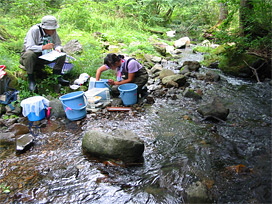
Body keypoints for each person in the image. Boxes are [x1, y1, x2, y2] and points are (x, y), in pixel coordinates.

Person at [20, 15, 69, 91]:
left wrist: (57, 48)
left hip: (45, 55)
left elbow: (57, 43)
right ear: (44, 27)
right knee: (29, 54)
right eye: (50, 29)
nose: (52, 31)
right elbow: (29, 47)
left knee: (62, 52)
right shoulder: (34, 30)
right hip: (32, 57)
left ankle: (57, 76)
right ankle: (31, 79)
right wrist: (43, 47)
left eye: (53, 29)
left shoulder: (53, 32)